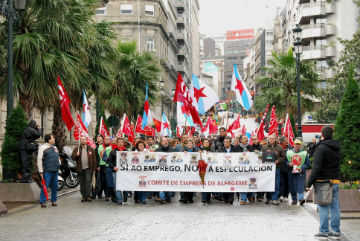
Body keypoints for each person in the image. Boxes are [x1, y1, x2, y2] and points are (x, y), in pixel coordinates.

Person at [307, 126, 341, 239]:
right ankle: (336, 231)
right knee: (335, 207)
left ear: (322, 134)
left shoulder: (321, 148)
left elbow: (316, 167)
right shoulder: (336, 146)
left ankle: (324, 231)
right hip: (335, 180)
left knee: (323, 206)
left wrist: (309, 183)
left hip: (323, 181)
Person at [37, 134, 61, 208]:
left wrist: (59, 165)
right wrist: (41, 171)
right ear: (49, 140)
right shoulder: (42, 148)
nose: (54, 138)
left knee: (55, 186)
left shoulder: (55, 147)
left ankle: (54, 200)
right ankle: (43, 201)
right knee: (45, 186)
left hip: (55, 170)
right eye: (53, 137)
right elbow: (39, 160)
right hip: (47, 171)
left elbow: (58, 157)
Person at [261, 134, 286, 205]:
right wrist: (263, 161)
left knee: (276, 183)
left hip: (276, 168)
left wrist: (278, 161)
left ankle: (274, 199)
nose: (271, 140)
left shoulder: (279, 147)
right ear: (268, 139)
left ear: (275, 139)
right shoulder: (264, 147)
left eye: (273, 139)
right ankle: (268, 198)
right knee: (268, 183)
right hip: (267, 169)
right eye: (270, 139)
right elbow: (260, 156)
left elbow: (283, 157)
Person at [71, 136, 97, 202]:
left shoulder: (91, 149)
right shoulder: (77, 148)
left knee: (88, 182)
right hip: (80, 168)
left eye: (84, 139)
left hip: (88, 168)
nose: (82, 140)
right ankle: (83, 196)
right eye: (81, 139)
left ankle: (88, 196)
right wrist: (76, 155)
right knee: (82, 183)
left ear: (86, 140)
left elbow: (94, 159)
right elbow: (72, 158)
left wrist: (94, 168)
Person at [286, 138, 310, 206]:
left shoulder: (304, 153)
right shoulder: (289, 152)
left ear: (300, 145)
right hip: (291, 171)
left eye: (298, 144)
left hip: (300, 172)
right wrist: (288, 164)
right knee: (292, 186)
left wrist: (302, 168)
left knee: (300, 185)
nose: (297, 146)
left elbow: (307, 163)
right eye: (296, 144)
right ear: (294, 145)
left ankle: (301, 199)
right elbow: (286, 161)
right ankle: (294, 199)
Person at [217, 136, 237, 205]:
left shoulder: (235, 149)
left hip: (232, 169)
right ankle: (225, 198)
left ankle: (231, 198)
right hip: (224, 169)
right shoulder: (220, 149)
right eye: (225, 142)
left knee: (231, 183)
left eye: (227, 142)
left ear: (230, 143)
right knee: (225, 183)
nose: (226, 143)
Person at [155, 136, 175, 204]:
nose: (166, 141)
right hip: (160, 171)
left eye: (166, 140)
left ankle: (168, 197)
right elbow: (155, 161)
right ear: (161, 142)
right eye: (164, 140)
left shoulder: (172, 150)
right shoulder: (157, 150)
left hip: (169, 171)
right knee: (161, 184)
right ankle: (162, 197)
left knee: (168, 184)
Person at [108, 137, 127, 205]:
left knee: (125, 184)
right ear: (116, 143)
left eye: (121, 142)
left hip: (125, 172)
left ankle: (125, 196)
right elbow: (109, 162)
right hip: (116, 172)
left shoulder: (126, 151)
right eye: (119, 142)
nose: (120, 143)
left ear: (123, 143)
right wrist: (113, 167)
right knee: (117, 186)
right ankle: (119, 199)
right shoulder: (113, 152)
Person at [237, 135, 254, 205]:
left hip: (250, 169)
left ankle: (250, 195)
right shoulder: (236, 148)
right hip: (240, 169)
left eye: (247, 138)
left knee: (251, 183)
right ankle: (243, 199)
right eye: (244, 138)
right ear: (241, 140)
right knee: (243, 183)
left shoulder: (251, 147)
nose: (246, 139)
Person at [200, 138, 213, 204]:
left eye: (207, 142)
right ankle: (204, 198)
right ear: (202, 144)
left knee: (209, 184)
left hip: (210, 170)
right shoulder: (200, 151)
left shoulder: (212, 150)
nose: (206, 143)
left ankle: (208, 198)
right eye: (204, 142)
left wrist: (210, 153)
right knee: (203, 183)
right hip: (202, 170)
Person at [279, 136, 291, 203]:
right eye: (285, 140)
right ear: (282, 142)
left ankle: (286, 196)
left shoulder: (290, 148)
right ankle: (281, 195)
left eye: (287, 140)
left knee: (287, 183)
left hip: (288, 168)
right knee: (281, 182)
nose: (287, 141)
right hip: (281, 167)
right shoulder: (279, 148)